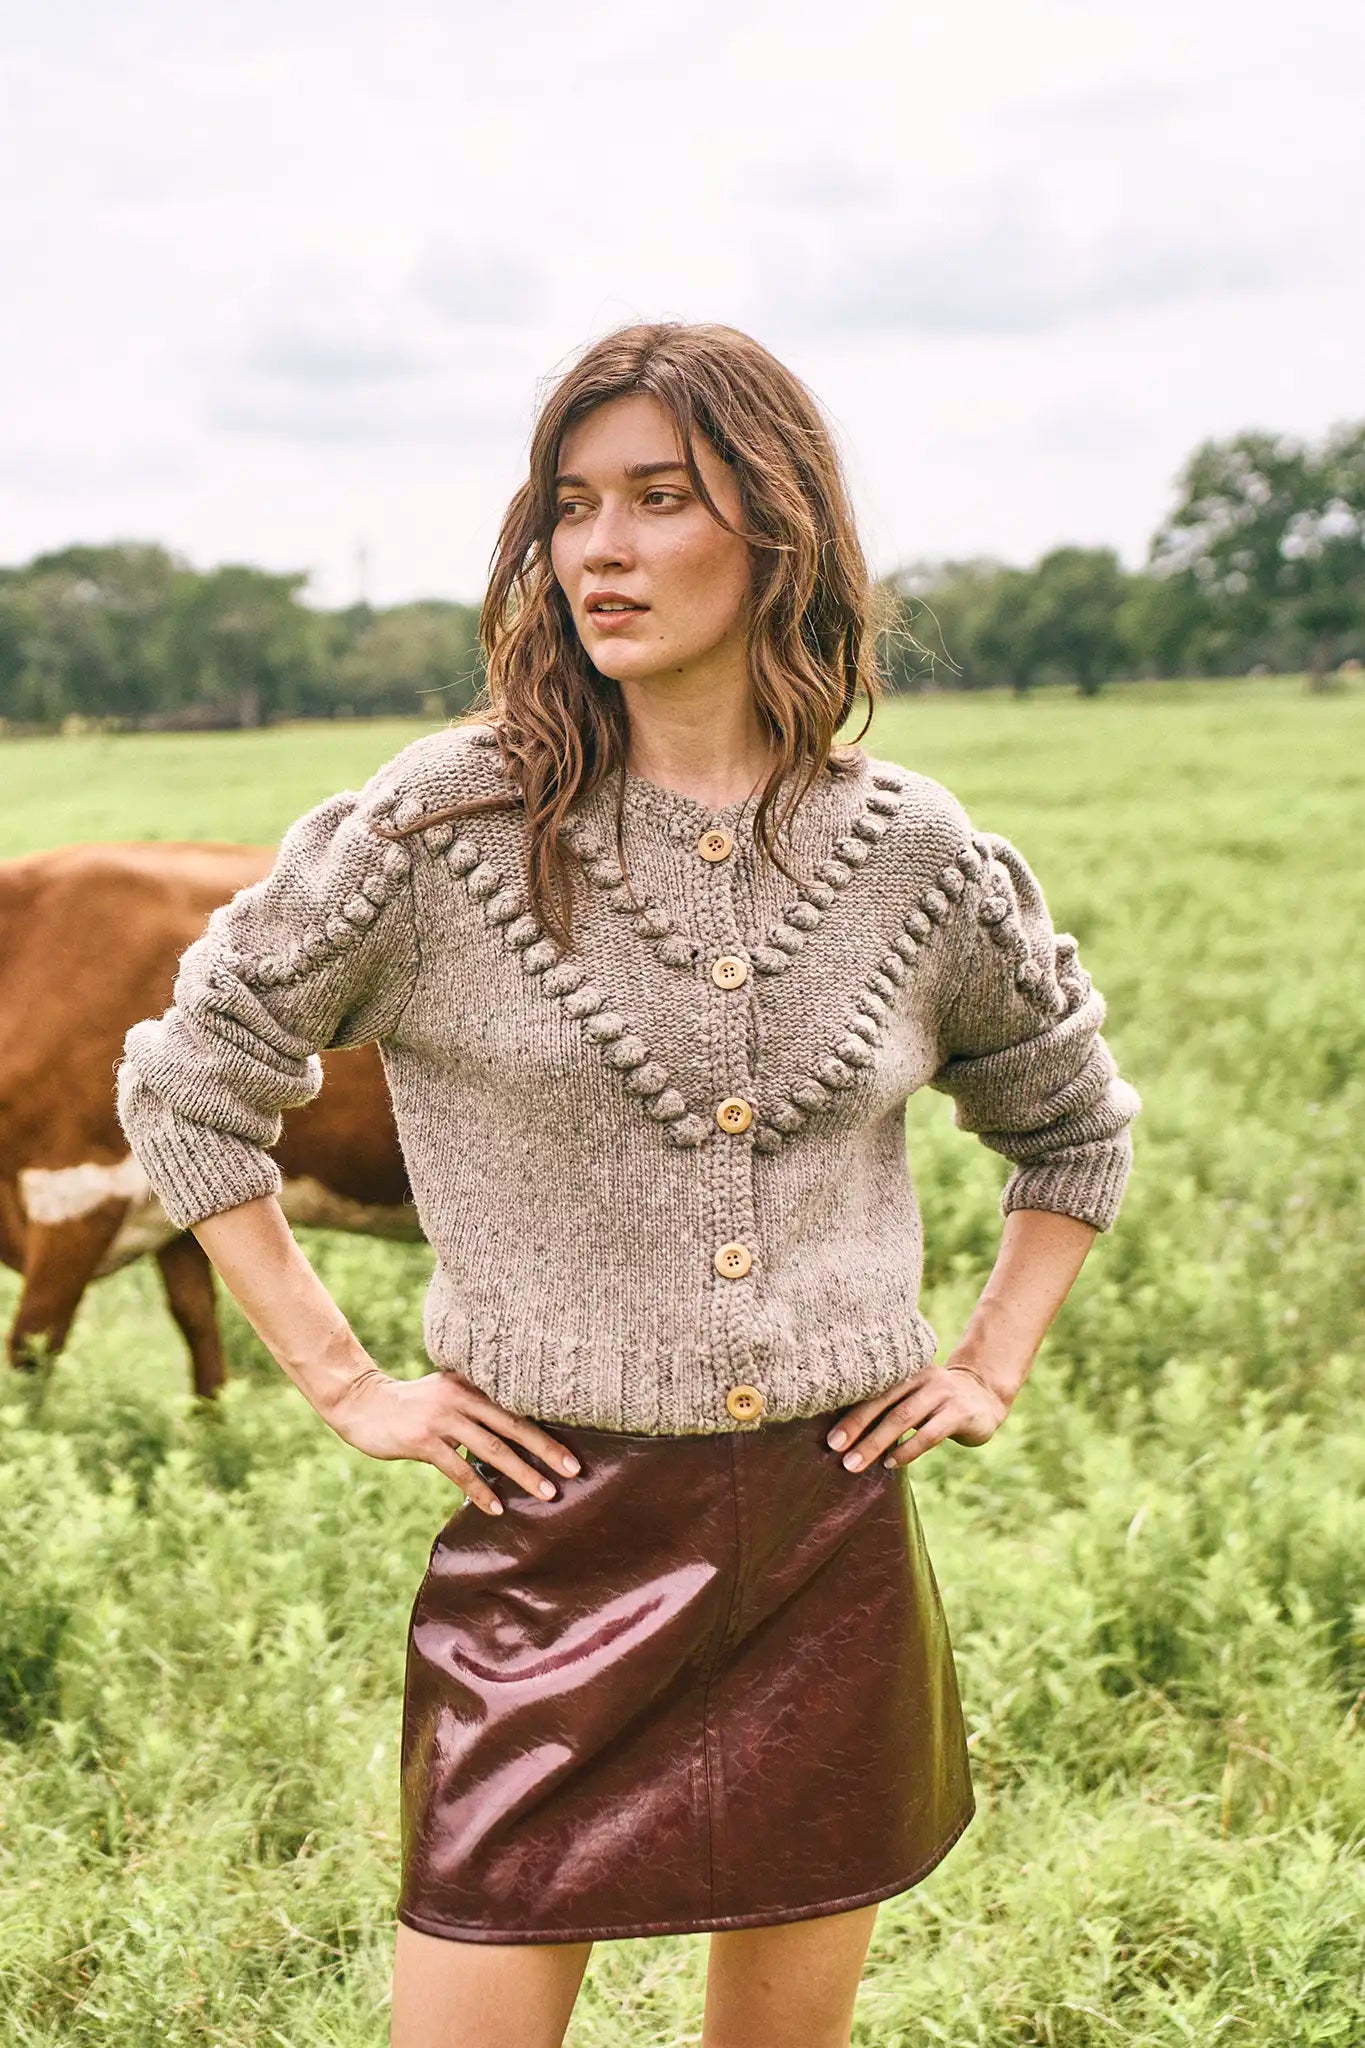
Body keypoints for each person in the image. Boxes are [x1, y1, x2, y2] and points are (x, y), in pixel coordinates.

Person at [115, 320, 1141, 2048]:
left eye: (660, 498)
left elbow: (1073, 1122)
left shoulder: (914, 857)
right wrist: (348, 1383)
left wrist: (987, 1362)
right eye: (570, 505)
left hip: (826, 1539)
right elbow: (189, 1088)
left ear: (777, 528)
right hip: (547, 1547)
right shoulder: (438, 835)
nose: (600, 547)